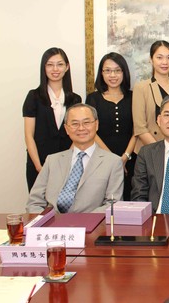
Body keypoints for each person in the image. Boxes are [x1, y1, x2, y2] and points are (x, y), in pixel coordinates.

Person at [26, 104, 124, 213]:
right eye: (75, 124)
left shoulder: (113, 162)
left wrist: (80, 222)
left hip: (91, 226)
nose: (81, 128)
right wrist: (44, 223)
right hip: (52, 225)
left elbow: (113, 204)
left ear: (96, 125)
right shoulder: (52, 160)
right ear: (66, 129)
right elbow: (34, 202)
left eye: (86, 122)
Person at [23, 47, 82, 192]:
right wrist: (39, 167)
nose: (55, 69)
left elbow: (77, 136)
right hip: (39, 164)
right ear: (44, 68)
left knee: (67, 209)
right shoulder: (34, 97)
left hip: (68, 165)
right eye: (50, 64)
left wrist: (67, 165)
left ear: (67, 67)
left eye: (60, 64)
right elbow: (29, 136)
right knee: (39, 209)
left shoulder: (75, 99)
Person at [86, 52, 137, 201]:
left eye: (117, 70)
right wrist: (113, 160)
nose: (112, 75)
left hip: (130, 159)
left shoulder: (133, 97)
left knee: (129, 200)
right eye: (107, 70)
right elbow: (91, 131)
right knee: (102, 202)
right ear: (101, 73)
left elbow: (137, 130)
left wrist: (125, 157)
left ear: (124, 72)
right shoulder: (93, 98)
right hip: (100, 159)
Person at [132, 40, 169, 155]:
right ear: (151, 59)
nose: (165, 62)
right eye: (159, 57)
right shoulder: (141, 88)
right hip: (149, 152)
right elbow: (140, 128)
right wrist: (161, 152)